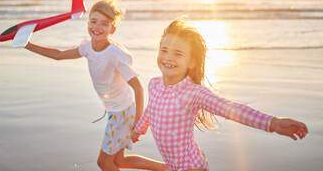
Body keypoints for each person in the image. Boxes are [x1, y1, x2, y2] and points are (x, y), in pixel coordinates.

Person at [130, 17, 308, 171]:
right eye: (164, 50)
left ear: (191, 62)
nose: (168, 57)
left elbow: (229, 109)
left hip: (191, 165)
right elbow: (151, 109)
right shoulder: (154, 84)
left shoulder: (194, 93)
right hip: (172, 165)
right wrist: (138, 130)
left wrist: (273, 123)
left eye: (178, 53)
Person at [24, 0, 167, 171]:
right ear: (87, 23)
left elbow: (138, 87)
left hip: (122, 113)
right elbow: (58, 54)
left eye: (104, 23)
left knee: (103, 163)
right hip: (118, 111)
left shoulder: (115, 54)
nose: (97, 27)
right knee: (119, 160)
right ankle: (165, 168)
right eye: (94, 21)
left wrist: (138, 122)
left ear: (112, 29)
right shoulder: (87, 47)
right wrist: (27, 44)